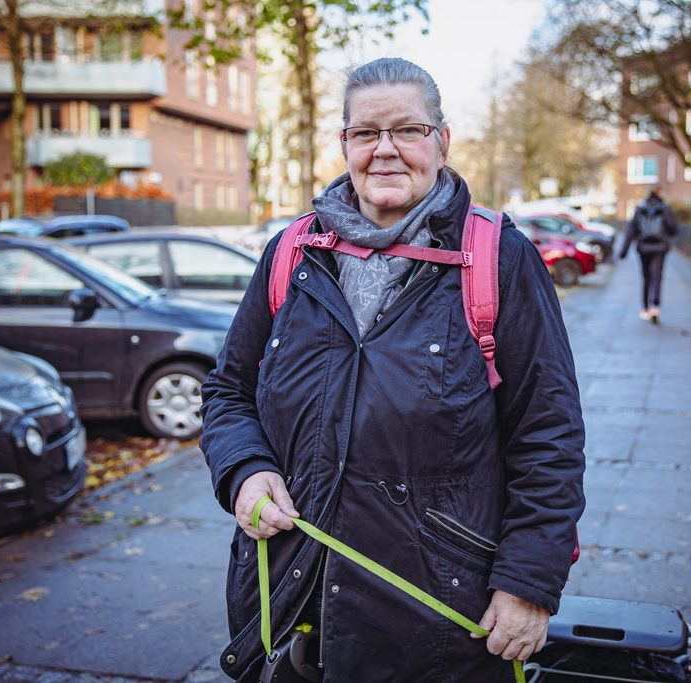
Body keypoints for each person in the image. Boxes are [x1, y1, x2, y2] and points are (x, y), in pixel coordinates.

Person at [200, 58, 585, 682]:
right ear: (344, 144)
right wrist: (245, 471)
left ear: (442, 141)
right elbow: (227, 390)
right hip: (288, 598)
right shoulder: (291, 254)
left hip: (438, 622)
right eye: (365, 133)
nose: (385, 150)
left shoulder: (499, 261)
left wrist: (528, 582)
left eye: (408, 130)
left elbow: (550, 437)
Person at [618, 186, 679, 323]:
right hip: (660, 248)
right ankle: (655, 307)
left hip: (643, 248)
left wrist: (623, 251)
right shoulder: (665, 210)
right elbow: (673, 229)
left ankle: (645, 308)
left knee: (646, 277)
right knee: (657, 276)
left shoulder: (640, 209)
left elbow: (631, 231)